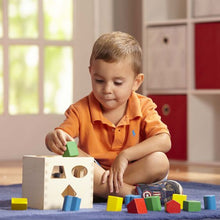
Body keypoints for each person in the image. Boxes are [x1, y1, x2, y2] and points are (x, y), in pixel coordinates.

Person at [45, 31, 182, 204]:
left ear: (136, 82)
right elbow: (62, 136)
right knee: (68, 152)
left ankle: (100, 191)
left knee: (160, 160)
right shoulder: (80, 109)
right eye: (99, 81)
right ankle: (133, 193)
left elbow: (164, 141)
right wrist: (53, 138)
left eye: (117, 83)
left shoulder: (144, 106)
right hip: (95, 172)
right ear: (91, 73)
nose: (107, 89)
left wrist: (125, 156)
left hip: (130, 170)